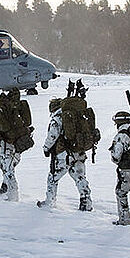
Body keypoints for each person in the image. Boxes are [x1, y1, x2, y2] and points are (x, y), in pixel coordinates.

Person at [38, 81, 96, 211]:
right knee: (80, 177)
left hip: (64, 154)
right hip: (79, 150)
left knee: (53, 177)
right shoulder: (74, 115)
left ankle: (50, 202)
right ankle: (86, 202)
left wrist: (46, 148)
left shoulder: (57, 118)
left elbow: (52, 136)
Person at [0, 88, 32, 201]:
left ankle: (13, 197)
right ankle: (5, 186)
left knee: (8, 170)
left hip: (6, 146)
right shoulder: (20, 110)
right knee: (8, 167)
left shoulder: (0, 113)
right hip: (19, 144)